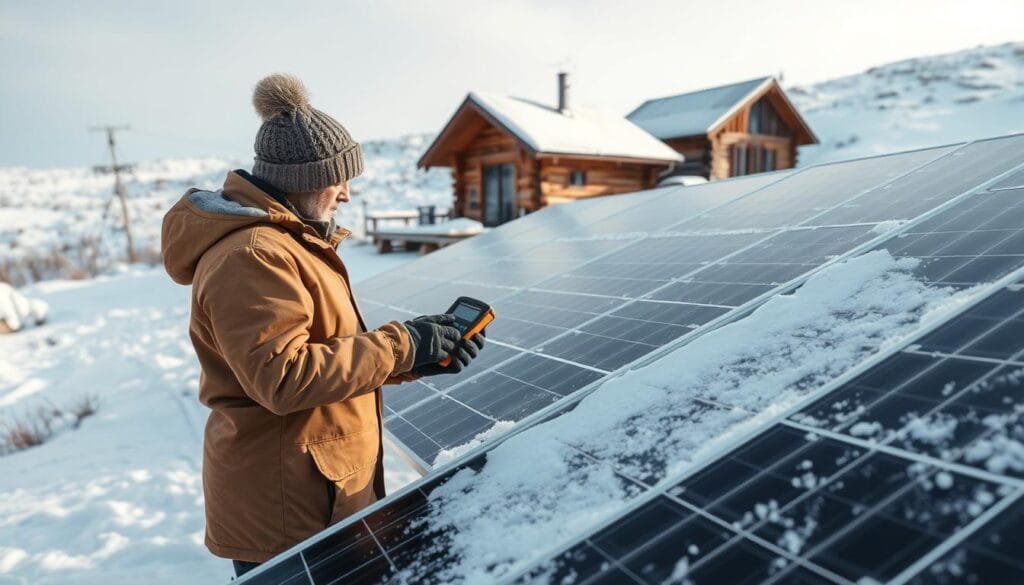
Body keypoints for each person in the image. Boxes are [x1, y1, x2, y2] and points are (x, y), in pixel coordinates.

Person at [161, 73, 485, 578]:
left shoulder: (288, 244)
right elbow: (284, 378)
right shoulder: (253, 256)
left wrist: (416, 358)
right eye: (340, 180)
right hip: (288, 513)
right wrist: (402, 345)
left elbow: (323, 351)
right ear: (305, 180)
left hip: (314, 494)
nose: (347, 196)